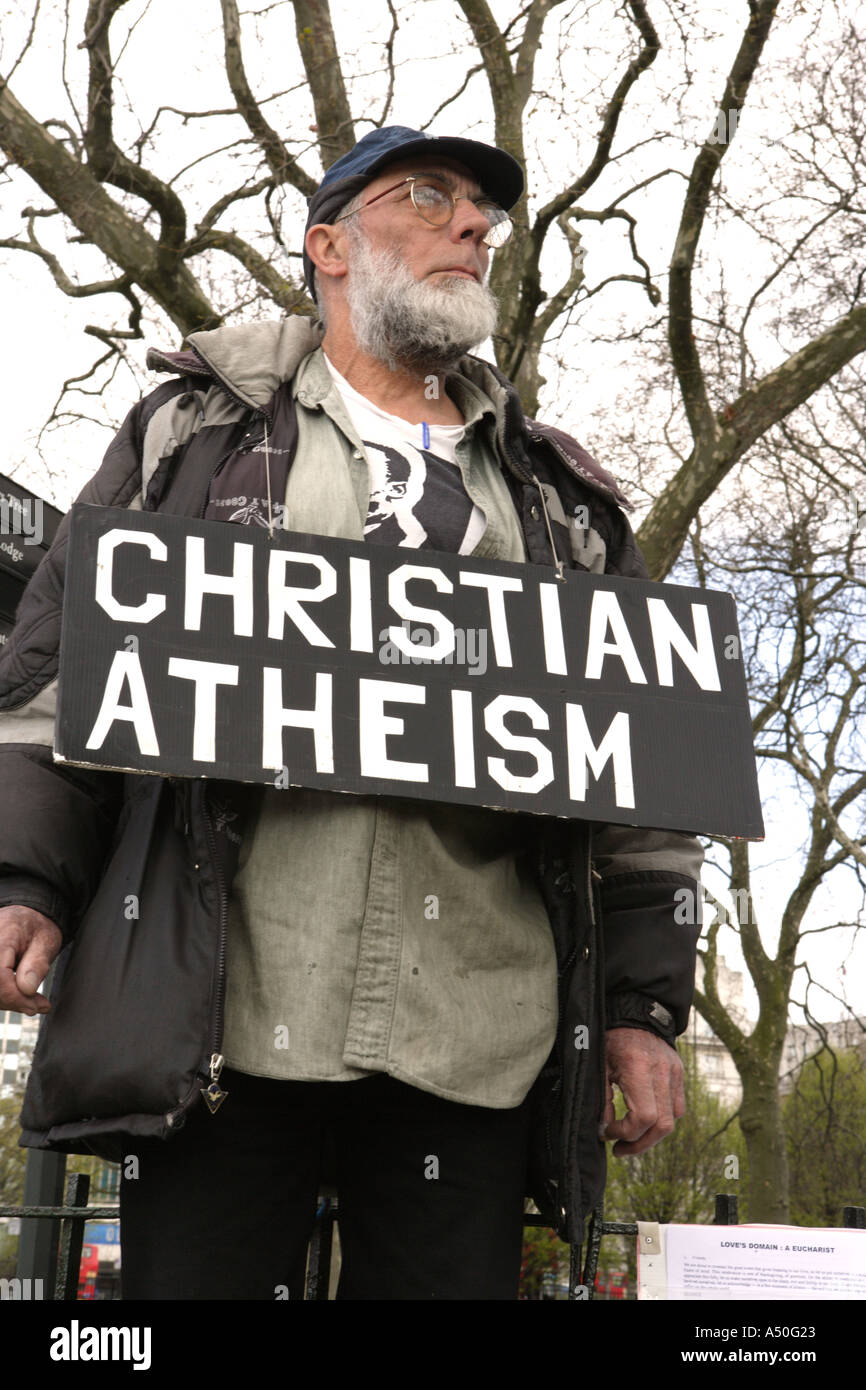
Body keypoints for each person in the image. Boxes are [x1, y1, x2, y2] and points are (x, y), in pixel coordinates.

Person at [0, 125, 703, 1300]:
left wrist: (640, 1008)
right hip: (223, 1024)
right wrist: (25, 878)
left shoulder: (561, 505)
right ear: (328, 244)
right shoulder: (192, 437)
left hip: (474, 1039)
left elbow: (641, 773)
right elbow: (60, 676)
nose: (469, 226)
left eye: (480, 211)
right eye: (425, 199)